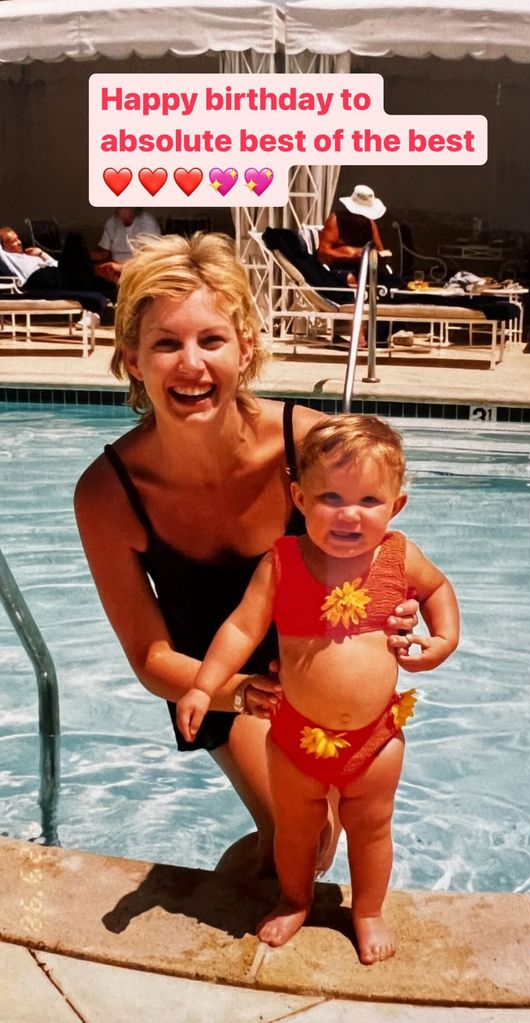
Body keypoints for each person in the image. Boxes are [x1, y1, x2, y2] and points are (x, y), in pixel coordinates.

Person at [74, 233, 419, 881]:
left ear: (247, 347)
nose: (191, 365)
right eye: (166, 343)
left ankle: (235, 899)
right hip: (217, 678)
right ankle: (231, 912)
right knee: (305, 828)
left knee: (326, 829)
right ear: (131, 361)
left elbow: (379, 557)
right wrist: (245, 692)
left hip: (319, 662)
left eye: (211, 340)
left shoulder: (310, 445)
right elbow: (151, 659)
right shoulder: (109, 493)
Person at [176, 414, 460, 964]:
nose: (349, 514)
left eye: (369, 502)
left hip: (376, 740)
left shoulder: (400, 556)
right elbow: (240, 628)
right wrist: (202, 685)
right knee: (296, 831)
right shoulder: (282, 563)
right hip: (295, 737)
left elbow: (438, 589)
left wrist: (442, 639)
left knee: (372, 830)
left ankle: (368, 911)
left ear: (395, 507)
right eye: (329, 496)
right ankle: (294, 898)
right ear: (299, 498)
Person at [317, 184, 396, 286]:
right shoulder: (336, 221)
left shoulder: (370, 223)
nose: (362, 218)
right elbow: (322, 253)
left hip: (364, 267)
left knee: (393, 280)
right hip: (339, 267)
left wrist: (382, 257)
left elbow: (379, 249)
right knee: (350, 279)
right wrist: (352, 254)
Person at [91, 207, 161, 284]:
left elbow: (151, 257)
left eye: (121, 206)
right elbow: (104, 252)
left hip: (139, 268)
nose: (117, 209)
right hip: (116, 267)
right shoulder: (112, 222)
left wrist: (122, 267)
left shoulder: (147, 222)